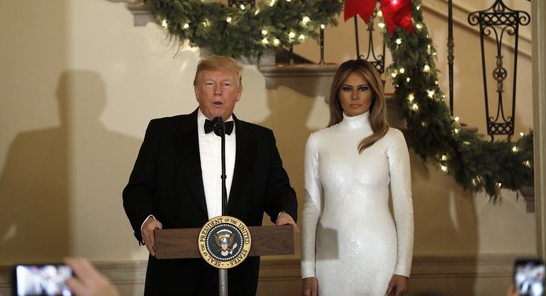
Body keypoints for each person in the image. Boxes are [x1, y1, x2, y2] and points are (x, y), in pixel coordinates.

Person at [123, 55, 298, 296]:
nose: (218, 92)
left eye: (226, 84)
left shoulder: (261, 140)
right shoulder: (162, 133)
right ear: (196, 90)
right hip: (175, 272)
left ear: (238, 93)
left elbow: (278, 189)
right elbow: (137, 190)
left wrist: (284, 213)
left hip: (238, 270)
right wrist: (146, 219)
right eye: (209, 84)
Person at [300, 59, 414, 296]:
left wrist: (403, 269)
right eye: (347, 88)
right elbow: (311, 208)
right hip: (329, 258)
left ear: (374, 93)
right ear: (337, 93)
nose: (355, 96)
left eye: (363, 88)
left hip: (380, 254)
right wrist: (307, 270)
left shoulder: (392, 139)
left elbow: (404, 207)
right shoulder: (318, 141)